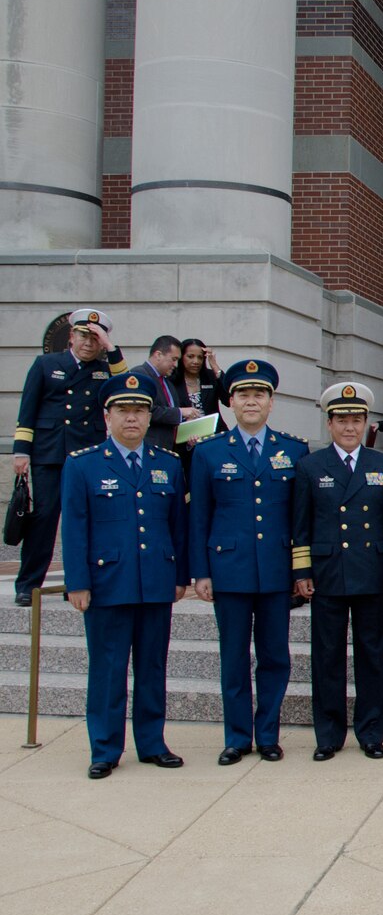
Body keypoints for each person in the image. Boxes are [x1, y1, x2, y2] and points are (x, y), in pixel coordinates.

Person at [61, 372, 189, 779]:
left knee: (152, 667)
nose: (131, 418)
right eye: (123, 410)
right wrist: (76, 581)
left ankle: (152, 742)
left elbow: (177, 526)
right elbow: (75, 528)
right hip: (106, 584)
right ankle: (104, 747)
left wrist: (180, 575)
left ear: (150, 418)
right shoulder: (83, 465)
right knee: (108, 669)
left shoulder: (167, 464)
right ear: (107, 416)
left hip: (155, 580)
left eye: (139, 411)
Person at [190, 360, 309, 765]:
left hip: (276, 572)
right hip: (229, 571)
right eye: (243, 394)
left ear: (272, 402)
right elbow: (199, 517)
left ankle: (269, 734)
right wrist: (201, 572)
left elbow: (300, 519)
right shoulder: (208, 453)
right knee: (234, 657)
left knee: (275, 657)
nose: (252, 401)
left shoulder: (293, 450)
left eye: (260, 394)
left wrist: (300, 570)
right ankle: (237, 737)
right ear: (230, 402)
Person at [293, 382, 383, 761]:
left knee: (373, 655)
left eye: (356, 420)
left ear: (366, 422)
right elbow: (301, 523)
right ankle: (329, 734)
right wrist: (301, 569)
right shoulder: (309, 466)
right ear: (329, 424)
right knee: (327, 656)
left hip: (370, 572)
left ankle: (371, 732)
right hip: (327, 573)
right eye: (342, 420)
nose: (349, 427)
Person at [12, 307, 129, 606]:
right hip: (49, 453)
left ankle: (77, 581)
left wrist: (111, 347)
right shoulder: (46, 364)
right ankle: (28, 584)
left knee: (85, 519)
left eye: (95, 338)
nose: (88, 343)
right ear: (71, 337)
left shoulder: (104, 370)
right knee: (45, 518)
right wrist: (21, 451)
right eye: (83, 336)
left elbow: (126, 383)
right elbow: (28, 410)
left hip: (86, 454)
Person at [134, 335, 202, 450]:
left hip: (168, 449)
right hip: (148, 447)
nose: (176, 365)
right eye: (174, 359)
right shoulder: (140, 375)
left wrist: (187, 424)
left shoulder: (168, 382)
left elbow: (169, 415)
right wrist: (180, 413)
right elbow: (144, 410)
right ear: (158, 355)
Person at [171, 338, 222, 469]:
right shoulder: (172, 381)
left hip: (214, 439)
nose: (196, 361)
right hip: (184, 443)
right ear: (181, 357)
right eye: (190, 356)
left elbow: (229, 399)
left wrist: (215, 366)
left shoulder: (210, 376)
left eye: (200, 357)